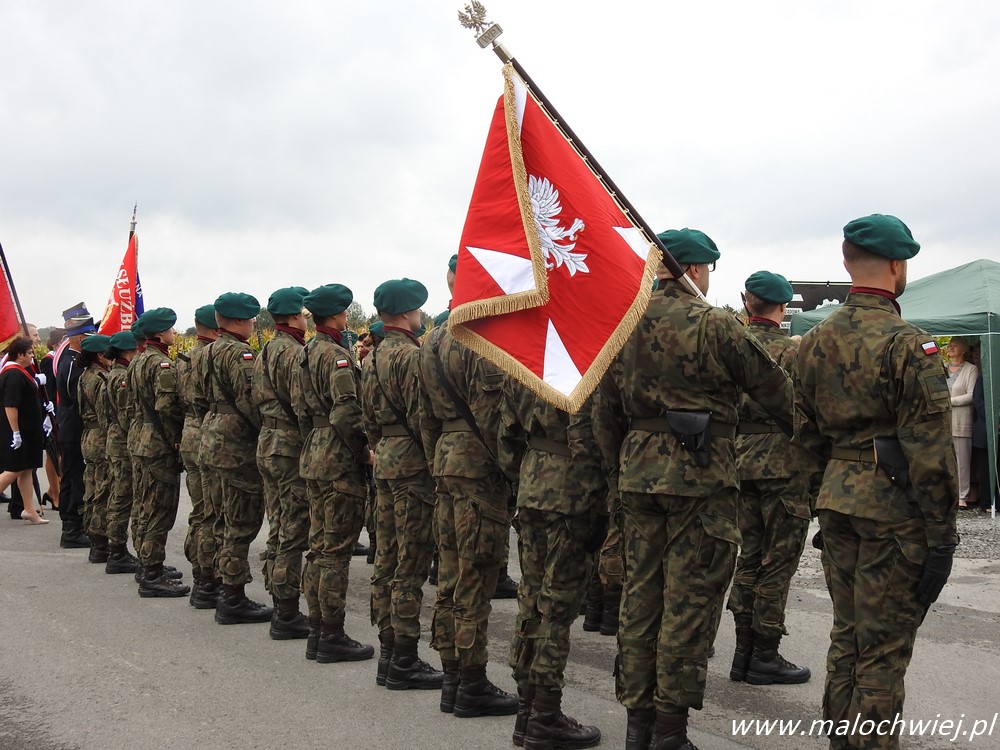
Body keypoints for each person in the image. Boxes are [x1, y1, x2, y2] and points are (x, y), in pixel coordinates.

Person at [591, 229, 794, 750]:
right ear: (698, 269)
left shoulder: (622, 321)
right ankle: (670, 732)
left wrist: (621, 471)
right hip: (701, 481)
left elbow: (604, 413)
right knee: (689, 604)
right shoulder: (714, 323)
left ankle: (638, 727)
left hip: (638, 477)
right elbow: (777, 392)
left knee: (640, 602)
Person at [793, 214, 958, 750]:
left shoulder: (813, 341)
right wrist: (942, 536)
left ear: (846, 262)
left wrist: (822, 496)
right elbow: (931, 452)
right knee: (883, 647)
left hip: (837, 501)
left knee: (847, 635)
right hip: (893, 510)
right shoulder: (909, 344)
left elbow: (804, 435)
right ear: (897, 265)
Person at [417, 299, 518, 719]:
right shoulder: (482, 339)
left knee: (451, 576)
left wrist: (436, 462)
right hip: (479, 467)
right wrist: (513, 473)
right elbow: (493, 420)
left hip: (445, 460)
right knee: (475, 577)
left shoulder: (431, 341)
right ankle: (472, 683)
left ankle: (452, 678)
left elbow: (424, 416)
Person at [498, 379, 604, 748]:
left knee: (531, 598)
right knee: (556, 606)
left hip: (533, 483)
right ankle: (545, 714)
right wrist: (598, 497)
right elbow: (585, 437)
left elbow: (507, 433)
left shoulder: (524, 366)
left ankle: (526, 710)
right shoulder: (579, 367)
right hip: (569, 490)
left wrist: (522, 478)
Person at [725, 271, 811, 685]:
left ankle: (743, 651)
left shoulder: (732, 347)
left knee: (749, 556)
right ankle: (764, 653)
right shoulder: (793, 352)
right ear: (783, 306)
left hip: (740, 461)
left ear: (747, 302)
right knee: (777, 563)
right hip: (784, 464)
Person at [361, 278, 443, 690]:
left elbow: (368, 418)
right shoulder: (412, 356)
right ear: (409, 312)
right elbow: (423, 417)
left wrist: (381, 446)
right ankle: (405, 659)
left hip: (386, 459)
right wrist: (433, 462)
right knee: (410, 563)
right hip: (412, 464)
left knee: (388, 559)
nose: (421, 314)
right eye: (418, 308)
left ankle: (388, 652)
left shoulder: (373, 355)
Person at [292, 284, 374, 663]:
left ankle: (316, 630)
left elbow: (299, 408)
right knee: (336, 552)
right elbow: (346, 411)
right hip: (338, 457)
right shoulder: (337, 355)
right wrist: (363, 453)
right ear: (338, 314)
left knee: (319, 547)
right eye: (344, 311)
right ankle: (332, 634)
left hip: (314, 451)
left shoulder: (306, 352)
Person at [201, 292, 272, 624]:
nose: (254, 323)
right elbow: (250, 401)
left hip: (212, 435)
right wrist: (265, 429)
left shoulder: (207, 351)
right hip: (236, 443)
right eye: (251, 318)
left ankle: (217, 584)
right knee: (241, 521)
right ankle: (233, 596)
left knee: (220, 516)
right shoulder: (240, 354)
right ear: (240, 320)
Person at [252, 287, 311, 639]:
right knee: (293, 526)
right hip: (289, 445)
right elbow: (302, 405)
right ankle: (287, 611)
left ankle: (279, 599)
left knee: (278, 522)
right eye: (303, 314)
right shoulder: (293, 353)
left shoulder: (266, 351)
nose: (306, 319)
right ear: (292, 317)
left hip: (268, 441)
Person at [129, 308, 190, 598]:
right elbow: (166, 407)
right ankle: (152, 575)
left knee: (145, 504)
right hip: (158, 442)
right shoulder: (161, 364)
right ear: (160, 333)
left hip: (140, 438)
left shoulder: (138, 360)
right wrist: (176, 438)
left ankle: (146, 565)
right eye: (170, 329)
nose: (174, 333)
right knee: (159, 509)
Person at [180, 304, 222, 608]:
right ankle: (208, 579)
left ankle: (200, 573)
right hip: (210, 432)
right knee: (213, 512)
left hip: (191, 432)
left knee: (200, 509)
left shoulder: (184, 359)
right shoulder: (211, 356)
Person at [55, 303, 98, 547]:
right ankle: (72, 529)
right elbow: (76, 398)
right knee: (75, 478)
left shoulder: (72, 360)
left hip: (72, 427)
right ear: (81, 338)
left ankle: (72, 526)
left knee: (72, 477)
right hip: (75, 428)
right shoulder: (73, 363)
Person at [0, 337, 48, 524]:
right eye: (29, 353)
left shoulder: (21, 372)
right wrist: (16, 432)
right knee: (13, 470)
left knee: (26, 469)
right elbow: (11, 405)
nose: (32, 356)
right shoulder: (13, 374)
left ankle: (29, 510)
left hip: (28, 430)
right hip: (18, 431)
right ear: (20, 355)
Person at [103, 331, 140, 574]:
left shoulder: (112, 374)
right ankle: (117, 551)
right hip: (122, 441)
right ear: (128, 351)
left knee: (119, 495)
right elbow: (127, 414)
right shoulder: (121, 377)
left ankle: (116, 549)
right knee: (123, 497)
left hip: (114, 438)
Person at [77, 334, 113, 563]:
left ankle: (94, 539)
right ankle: (100, 544)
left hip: (89, 436)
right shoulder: (101, 378)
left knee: (92, 488)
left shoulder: (85, 376)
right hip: (100, 437)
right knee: (103, 491)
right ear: (100, 355)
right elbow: (105, 414)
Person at [946, 337, 978, 508]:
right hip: (942, 423)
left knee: (962, 461)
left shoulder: (971, 369)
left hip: (961, 421)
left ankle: (962, 496)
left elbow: (972, 395)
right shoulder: (942, 367)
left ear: (964, 349)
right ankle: (945, 494)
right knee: (944, 460)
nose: (950, 347)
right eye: (949, 345)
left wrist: (948, 402)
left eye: (955, 345)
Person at [39, 328, 63, 509]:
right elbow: (48, 389)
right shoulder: (48, 360)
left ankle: (50, 491)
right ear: (55, 344)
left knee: (62, 455)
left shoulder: (61, 358)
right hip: (51, 412)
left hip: (60, 411)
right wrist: (49, 413)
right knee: (53, 454)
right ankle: (56, 496)